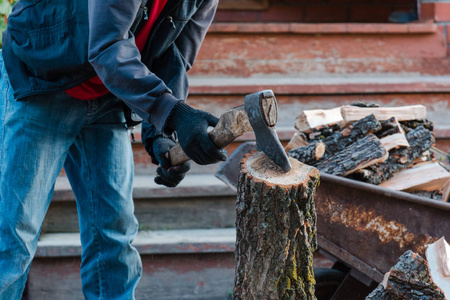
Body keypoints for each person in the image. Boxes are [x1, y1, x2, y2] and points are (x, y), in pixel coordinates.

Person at [0, 0, 226, 298]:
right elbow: (108, 46)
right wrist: (172, 114)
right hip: (45, 78)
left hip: (107, 96)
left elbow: (175, 58)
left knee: (114, 234)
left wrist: (160, 133)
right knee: (16, 233)